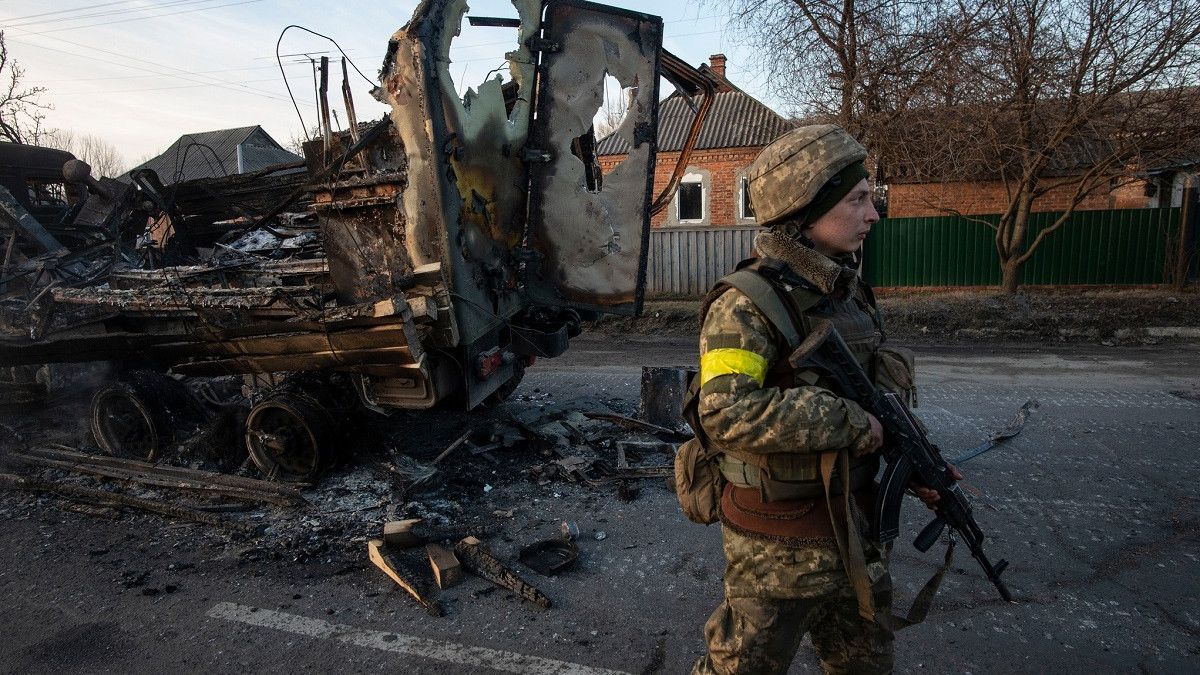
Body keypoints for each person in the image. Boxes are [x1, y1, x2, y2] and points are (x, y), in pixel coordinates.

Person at [691, 125, 949, 674]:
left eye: (870, 197)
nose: (873, 214)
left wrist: (914, 462)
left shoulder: (847, 292)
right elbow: (725, 411)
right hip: (776, 547)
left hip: (854, 533)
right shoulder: (744, 304)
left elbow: (879, 398)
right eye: (857, 200)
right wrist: (849, 422)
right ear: (806, 211)